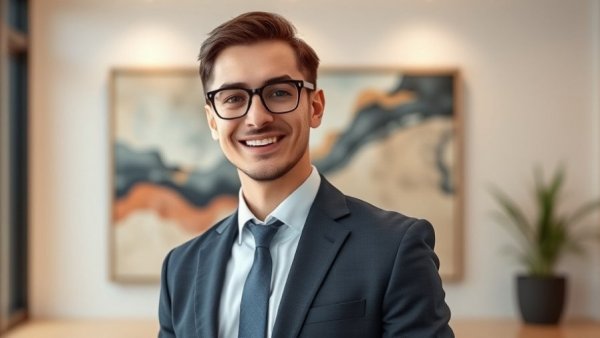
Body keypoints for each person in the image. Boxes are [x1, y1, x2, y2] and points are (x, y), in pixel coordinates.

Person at [158, 11, 454, 338]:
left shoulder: (395, 248)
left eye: (279, 93)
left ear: (315, 107)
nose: (257, 118)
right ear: (213, 121)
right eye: (233, 99)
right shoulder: (181, 269)